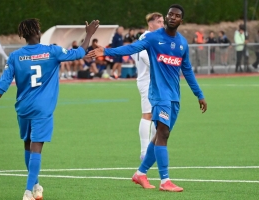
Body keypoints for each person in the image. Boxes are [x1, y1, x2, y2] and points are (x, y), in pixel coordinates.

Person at [87, 4, 207, 192]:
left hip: (174, 97)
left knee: (160, 135)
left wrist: (199, 94)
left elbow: (188, 70)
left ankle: (140, 173)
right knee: (163, 134)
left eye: (176, 16)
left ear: (181, 20)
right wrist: (107, 51)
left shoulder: (182, 43)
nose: (172, 17)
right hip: (158, 95)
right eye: (170, 14)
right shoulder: (152, 38)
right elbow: (131, 49)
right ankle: (165, 180)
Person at [0, 18, 99, 200]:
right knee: (36, 147)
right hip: (42, 109)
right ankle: (28, 192)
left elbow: (3, 85)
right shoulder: (52, 51)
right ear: (38, 32)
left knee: (28, 145)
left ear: (23, 35)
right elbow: (80, 51)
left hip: (23, 108)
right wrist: (89, 33)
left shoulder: (15, 56)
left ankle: (36, 186)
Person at [130, 12, 164, 161]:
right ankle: (144, 152)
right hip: (147, 81)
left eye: (163, 22)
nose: (163, 24)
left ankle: (152, 149)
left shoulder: (156, 38)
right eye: (160, 22)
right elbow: (144, 56)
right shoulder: (145, 37)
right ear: (151, 24)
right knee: (147, 115)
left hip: (156, 81)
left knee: (157, 116)